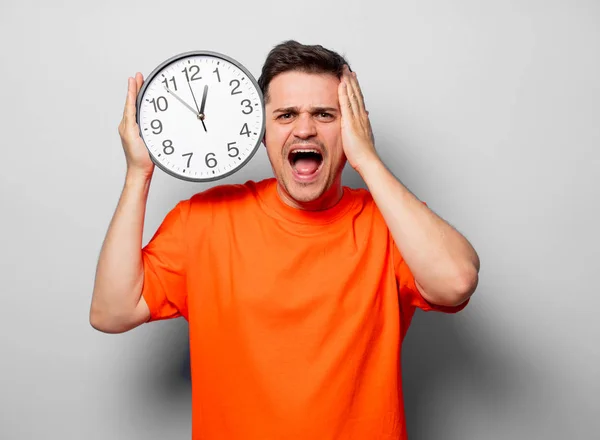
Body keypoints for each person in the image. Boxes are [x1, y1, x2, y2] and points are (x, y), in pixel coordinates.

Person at [90, 40, 480, 440]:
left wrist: (367, 159)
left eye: (325, 114)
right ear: (262, 131)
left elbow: (456, 282)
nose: (305, 128)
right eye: (286, 114)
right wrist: (139, 173)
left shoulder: (390, 223)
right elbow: (112, 311)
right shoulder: (203, 220)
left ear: (352, 128)